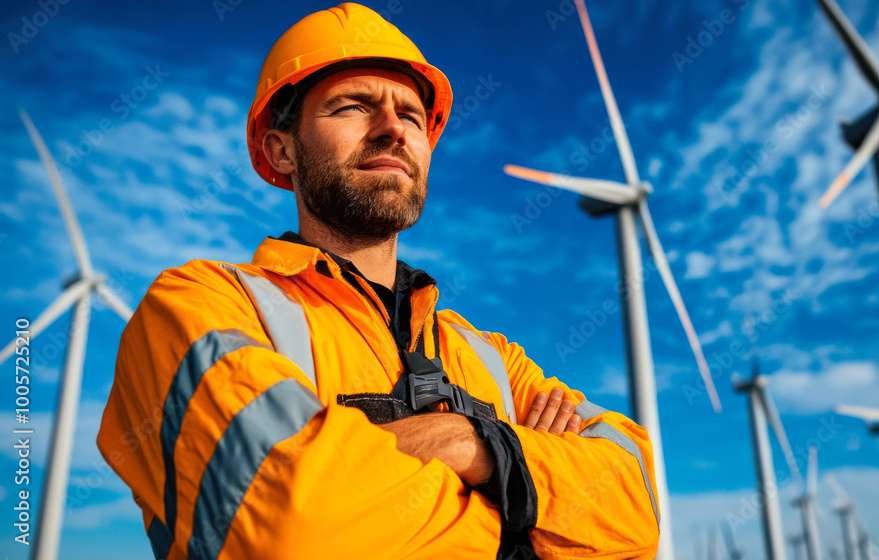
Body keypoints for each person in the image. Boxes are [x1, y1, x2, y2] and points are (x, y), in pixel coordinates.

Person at [97, 4, 659, 559]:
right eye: (353, 107)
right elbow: (294, 526)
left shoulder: (487, 357)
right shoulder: (199, 307)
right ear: (282, 149)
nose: (392, 130)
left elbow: (636, 503)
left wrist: (475, 443)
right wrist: (527, 518)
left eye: (412, 116)